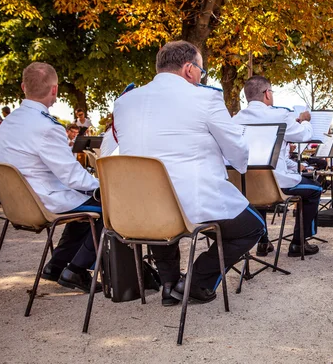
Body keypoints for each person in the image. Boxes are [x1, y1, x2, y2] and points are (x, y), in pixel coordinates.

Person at [113, 41, 264, 307]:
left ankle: (169, 284)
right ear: (188, 70)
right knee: (253, 228)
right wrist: (238, 164)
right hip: (191, 202)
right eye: (202, 71)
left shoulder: (124, 102)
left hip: (138, 208)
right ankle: (195, 283)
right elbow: (237, 148)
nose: (201, 77)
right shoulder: (205, 98)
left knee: (159, 208)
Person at [0, 62, 103, 292]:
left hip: (18, 203)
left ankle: (56, 266)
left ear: (24, 87)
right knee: (111, 207)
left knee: (87, 205)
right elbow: (72, 176)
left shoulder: (8, 123)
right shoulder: (47, 127)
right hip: (43, 201)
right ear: (54, 90)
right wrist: (104, 186)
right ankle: (75, 270)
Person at [233, 75, 323, 257]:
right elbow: (304, 135)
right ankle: (299, 242)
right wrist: (305, 120)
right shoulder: (280, 114)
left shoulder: (235, 119)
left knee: (256, 190)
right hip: (278, 184)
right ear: (267, 94)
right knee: (315, 189)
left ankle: (263, 242)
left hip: (244, 184)